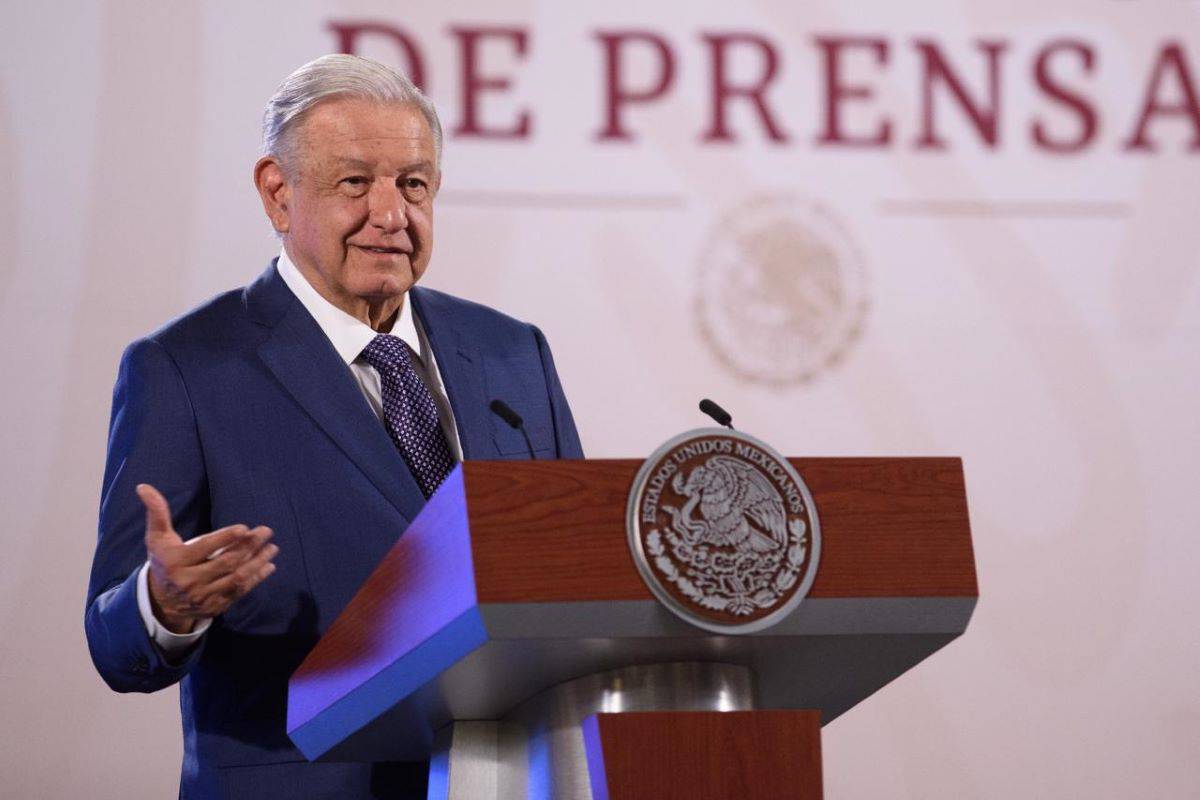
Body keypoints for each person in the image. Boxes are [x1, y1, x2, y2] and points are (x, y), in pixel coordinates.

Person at [84, 54, 583, 799]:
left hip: (513, 778)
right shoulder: (187, 369)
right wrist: (164, 605)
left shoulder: (514, 354)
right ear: (278, 193)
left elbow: (577, 571)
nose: (391, 214)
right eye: (355, 183)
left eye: (413, 185)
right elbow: (114, 645)